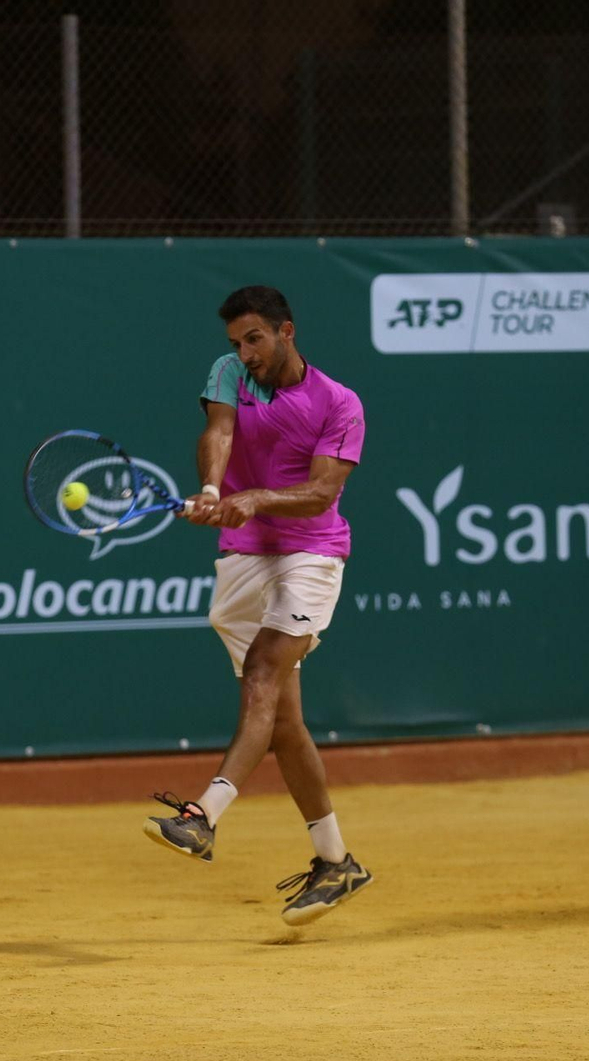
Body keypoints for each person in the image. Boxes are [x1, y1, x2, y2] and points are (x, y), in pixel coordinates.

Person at [143, 285, 373, 926]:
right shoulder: (228, 374)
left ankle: (202, 817)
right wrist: (215, 489)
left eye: (254, 339)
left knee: (264, 674)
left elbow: (323, 492)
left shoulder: (339, 403)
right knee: (284, 722)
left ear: (286, 331)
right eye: (235, 343)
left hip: (311, 555)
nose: (243, 353)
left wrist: (257, 499)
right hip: (244, 556)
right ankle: (336, 864)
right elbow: (218, 431)